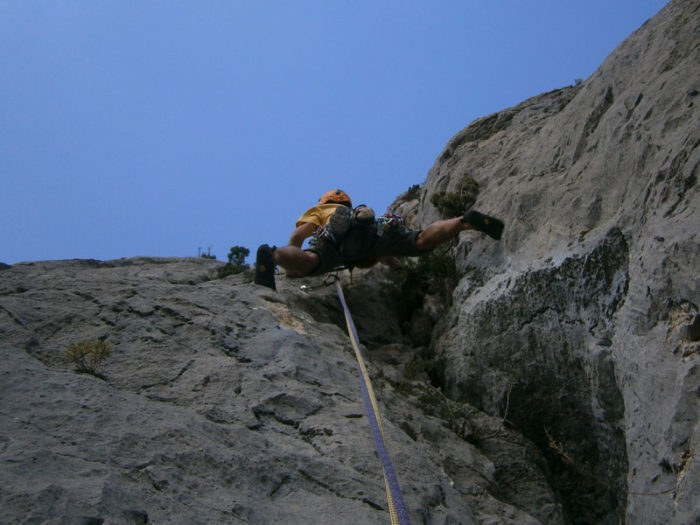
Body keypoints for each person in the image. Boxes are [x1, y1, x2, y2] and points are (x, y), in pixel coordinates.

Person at [254, 188, 504, 290]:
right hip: (373, 230)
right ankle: (464, 221)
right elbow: (384, 253)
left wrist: (291, 269)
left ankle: (272, 254)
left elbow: (299, 235)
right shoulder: (350, 210)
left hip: (335, 243)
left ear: (325, 203)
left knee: (310, 260)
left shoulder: (320, 210)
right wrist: (397, 266)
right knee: (420, 241)